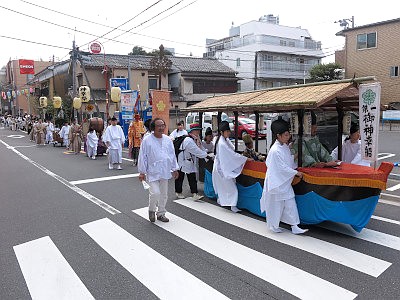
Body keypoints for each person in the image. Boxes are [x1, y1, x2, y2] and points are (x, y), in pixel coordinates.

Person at [260, 118, 308, 234]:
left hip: (283, 182)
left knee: (290, 204)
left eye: (288, 135)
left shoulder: (284, 146)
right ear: (278, 136)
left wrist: (295, 156)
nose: (288, 137)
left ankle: (294, 226)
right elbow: (282, 168)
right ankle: (273, 226)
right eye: (286, 135)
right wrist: (296, 173)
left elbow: (287, 161)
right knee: (276, 206)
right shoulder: (275, 150)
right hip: (276, 183)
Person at [138, 118, 179, 223]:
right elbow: (143, 156)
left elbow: (172, 155)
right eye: (158, 126)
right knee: (155, 193)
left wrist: (175, 168)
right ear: (153, 127)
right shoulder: (147, 140)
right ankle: (151, 210)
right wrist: (142, 172)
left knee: (164, 194)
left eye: (163, 125)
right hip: (152, 171)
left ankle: (161, 213)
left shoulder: (167, 140)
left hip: (165, 170)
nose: (161, 128)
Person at [212, 120, 252, 213]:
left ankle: (224, 201)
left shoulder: (223, 139)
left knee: (225, 187)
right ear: (222, 132)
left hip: (221, 166)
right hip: (222, 168)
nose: (229, 133)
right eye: (227, 131)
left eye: (229, 131)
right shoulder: (221, 143)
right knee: (232, 188)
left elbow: (232, 151)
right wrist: (244, 159)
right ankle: (233, 205)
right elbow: (231, 155)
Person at [175, 123, 208, 200]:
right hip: (183, 160)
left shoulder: (196, 139)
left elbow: (201, 148)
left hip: (190, 160)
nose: (198, 132)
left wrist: (205, 152)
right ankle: (178, 192)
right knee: (180, 176)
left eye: (199, 130)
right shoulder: (188, 140)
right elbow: (196, 151)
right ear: (192, 131)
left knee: (192, 177)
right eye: (196, 131)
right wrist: (205, 154)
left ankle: (194, 193)